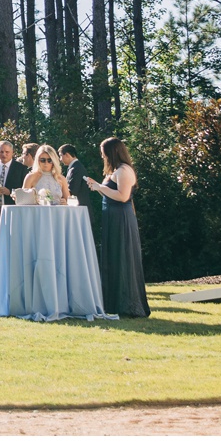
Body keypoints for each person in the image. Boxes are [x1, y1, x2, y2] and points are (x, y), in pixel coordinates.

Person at [85, 137, 149, 319]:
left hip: (121, 217)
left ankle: (128, 304)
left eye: (103, 153)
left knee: (123, 257)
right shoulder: (115, 171)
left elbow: (122, 196)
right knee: (113, 257)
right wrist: (97, 187)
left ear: (112, 152)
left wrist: (99, 187)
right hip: (112, 217)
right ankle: (113, 303)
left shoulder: (124, 171)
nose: (102, 156)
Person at [0, 140, 28, 205]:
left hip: (12, 206)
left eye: (7, 152)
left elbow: (25, 190)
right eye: (1, 152)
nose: (4, 154)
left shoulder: (21, 168)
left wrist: (10, 192)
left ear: (12, 152)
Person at [59, 144, 94, 209]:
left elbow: (72, 190)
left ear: (67, 155)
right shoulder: (76, 167)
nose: (60, 159)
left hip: (79, 208)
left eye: (61, 156)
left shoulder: (75, 169)